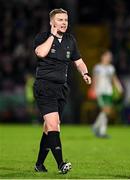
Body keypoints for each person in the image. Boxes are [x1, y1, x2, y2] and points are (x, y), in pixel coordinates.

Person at [33, 8, 91, 174]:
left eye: (65, 20)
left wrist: (85, 73)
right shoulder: (42, 37)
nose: (64, 23)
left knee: (48, 128)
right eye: (60, 20)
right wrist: (52, 36)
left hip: (61, 88)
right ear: (52, 22)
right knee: (54, 124)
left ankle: (39, 164)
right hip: (45, 86)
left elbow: (78, 61)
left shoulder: (70, 40)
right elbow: (41, 53)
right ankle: (60, 164)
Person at [91, 50, 123, 138]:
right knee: (105, 110)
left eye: (110, 57)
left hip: (108, 91)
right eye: (108, 56)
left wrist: (119, 88)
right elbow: (95, 79)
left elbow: (114, 79)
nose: (109, 58)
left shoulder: (111, 68)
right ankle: (102, 131)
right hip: (100, 91)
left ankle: (96, 127)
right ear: (103, 57)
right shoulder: (97, 68)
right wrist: (93, 89)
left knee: (106, 111)